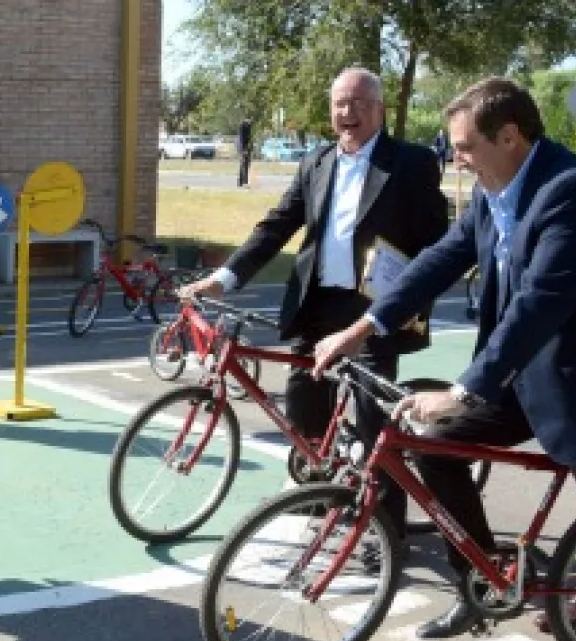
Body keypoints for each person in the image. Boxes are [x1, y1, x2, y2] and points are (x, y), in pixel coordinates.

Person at [311, 76, 576, 640]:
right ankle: (481, 583)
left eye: (464, 147)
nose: (456, 160)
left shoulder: (573, 190)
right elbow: (439, 260)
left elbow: (540, 303)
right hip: (525, 377)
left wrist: (463, 391)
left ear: (509, 136)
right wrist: (363, 328)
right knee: (431, 446)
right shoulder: (495, 187)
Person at [180, 67, 448, 538]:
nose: (348, 112)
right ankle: (319, 492)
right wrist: (225, 278)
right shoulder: (316, 161)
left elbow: (438, 239)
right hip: (317, 304)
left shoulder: (411, 162)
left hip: (374, 308)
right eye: (340, 103)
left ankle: (386, 531)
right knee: (303, 402)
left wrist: (410, 296)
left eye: (359, 103)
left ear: (380, 109)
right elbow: (276, 226)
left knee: (374, 419)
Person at [236, 117, 254, 187]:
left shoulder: (249, 126)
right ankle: (243, 182)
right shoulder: (243, 126)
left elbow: (249, 139)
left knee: (246, 164)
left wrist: (250, 148)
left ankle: (243, 181)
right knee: (243, 164)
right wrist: (243, 149)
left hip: (246, 147)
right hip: (243, 148)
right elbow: (241, 139)